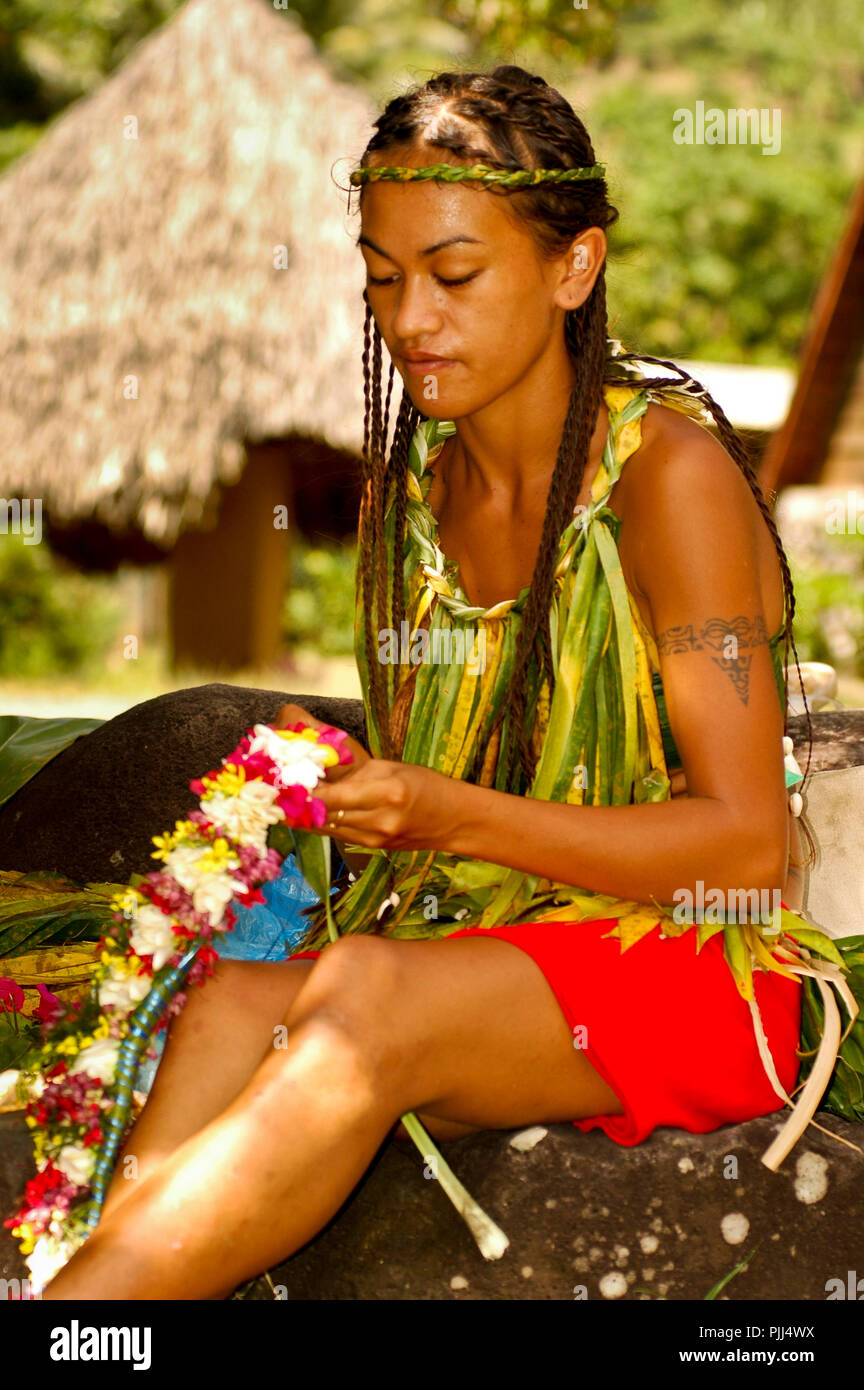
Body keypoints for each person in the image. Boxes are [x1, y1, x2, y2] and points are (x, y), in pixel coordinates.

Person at [41, 63, 817, 1301]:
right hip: (496, 943)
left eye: (455, 275)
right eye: (384, 277)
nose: (412, 319)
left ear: (575, 269)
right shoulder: (417, 495)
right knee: (234, 1002)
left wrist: (445, 814)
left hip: (696, 967)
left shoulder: (673, 483)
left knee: (363, 991)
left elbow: (745, 850)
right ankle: (86, 1305)